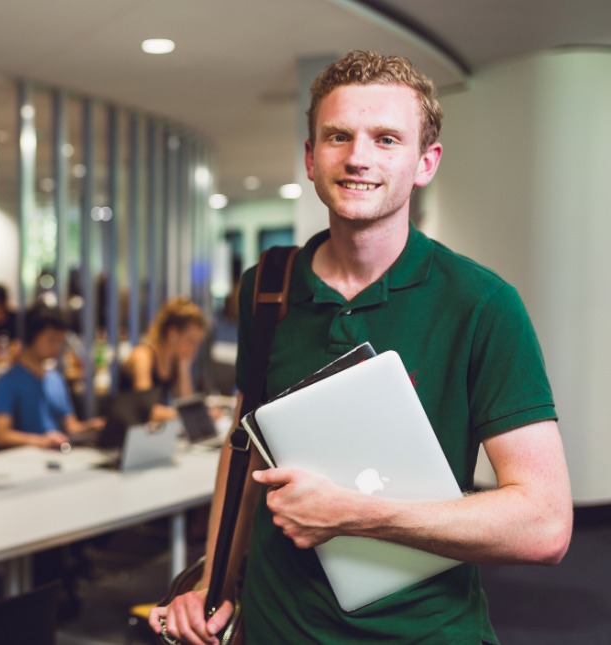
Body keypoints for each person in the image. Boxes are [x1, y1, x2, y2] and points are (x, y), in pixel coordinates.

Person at [152, 50, 572, 644]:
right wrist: (214, 581)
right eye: (338, 136)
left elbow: (545, 524)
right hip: (278, 628)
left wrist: (357, 515)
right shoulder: (266, 287)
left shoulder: (481, 303)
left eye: (386, 139)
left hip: (425, 632)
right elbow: (243, 447)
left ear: (425, 163)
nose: (358, 157)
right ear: (309, 157)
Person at [0, 305, 104, 450]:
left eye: (60, 341)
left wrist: (92, 426)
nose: (57, 346)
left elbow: (71, 426)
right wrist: (41, 441)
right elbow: (0, 435)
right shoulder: (8, 381)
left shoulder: (56, 379)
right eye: (51, 339)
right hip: (25, 461)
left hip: (58, 454)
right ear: (32, 336)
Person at [118, 296, 207, 423]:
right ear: (173, 334)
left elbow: (186, 402)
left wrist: (184, 365)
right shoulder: (143, 356)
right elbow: (145, 410)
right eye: (190, 341)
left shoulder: (175, 360)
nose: (194, 349)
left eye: (197, 343)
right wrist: (186, 416)